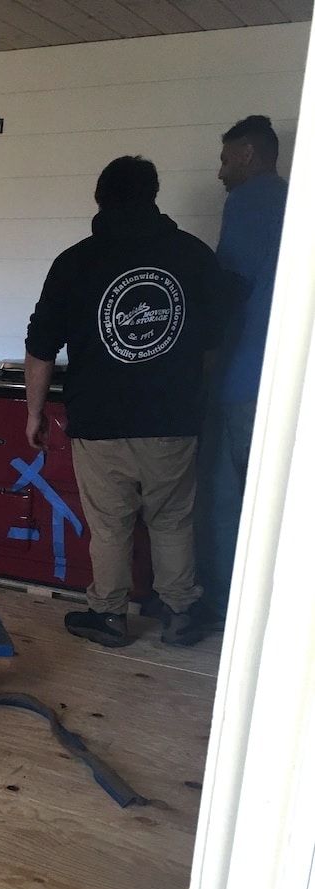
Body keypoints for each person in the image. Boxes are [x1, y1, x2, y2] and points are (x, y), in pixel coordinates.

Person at [24, 155, 223, 649]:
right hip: (173, 421)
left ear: (100, 198)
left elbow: (40, 345)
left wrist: (34, 413)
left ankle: (109, 617)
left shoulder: (75, 263)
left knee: (110, 526)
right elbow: (213, 343)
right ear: (154, 194)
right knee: (173, 520)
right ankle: (179, 616)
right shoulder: (194, 256)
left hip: (100, 422)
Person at [194, 115, 288, 628]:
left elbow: (228, 291)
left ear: (249, 154)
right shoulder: (294, 201)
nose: (221, 172)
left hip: (240, 380)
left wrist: (202, 362)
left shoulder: (249, 203)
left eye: (226, 159)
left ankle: (228, 607)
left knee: (224, 499)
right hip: (282, 383)